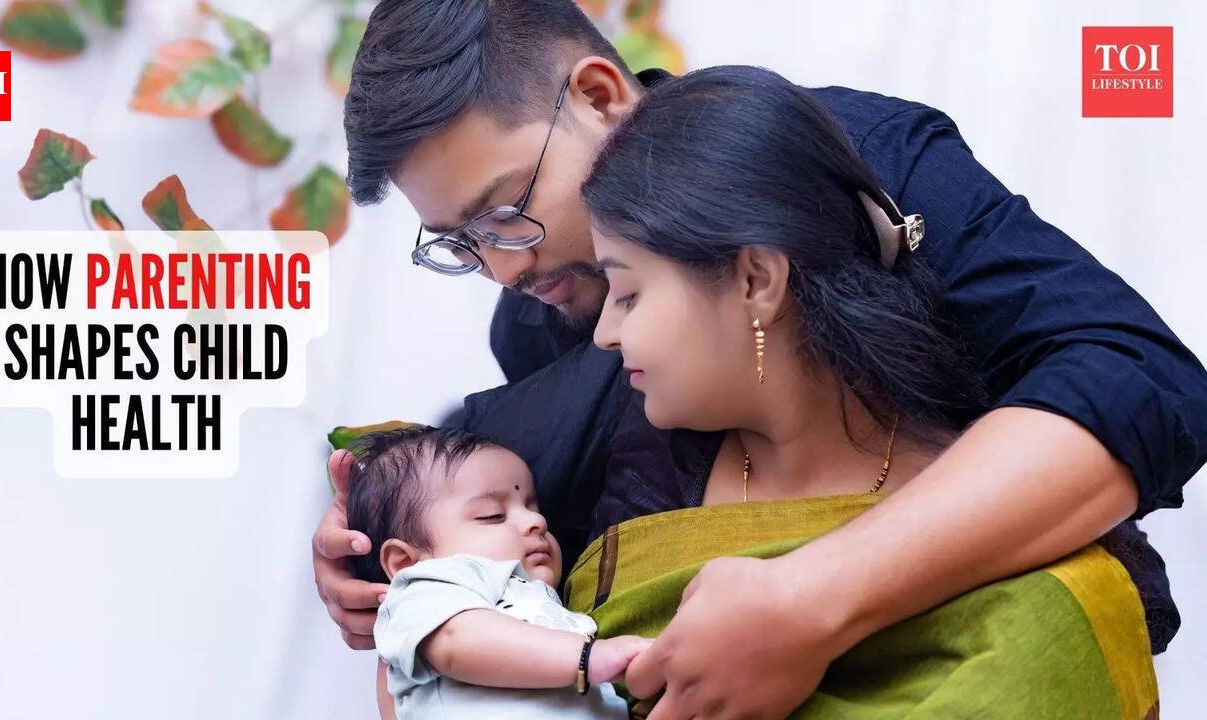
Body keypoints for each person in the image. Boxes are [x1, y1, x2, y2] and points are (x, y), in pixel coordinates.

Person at [315, 1, 1207, 715]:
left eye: (507, 211)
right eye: (461, 242)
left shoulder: (849, 161)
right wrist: (379, 539)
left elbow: (1136, 377)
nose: (504, 269)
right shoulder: (537, 318)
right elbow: (525, 535)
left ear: (598, 95)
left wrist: (814, 597)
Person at [558, 63, 1157, 718]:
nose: (604, 335)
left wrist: (808, 602)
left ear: (756, 281)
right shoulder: (647, 487)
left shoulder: (1020, 513)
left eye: (628, 292)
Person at [347, 425, 648, 719]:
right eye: (493, 515)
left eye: (534, 508)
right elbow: (457, 640)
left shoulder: (544, 600)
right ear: (405, 563)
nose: (537, 522)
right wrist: (587, 658)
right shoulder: (426, 589)